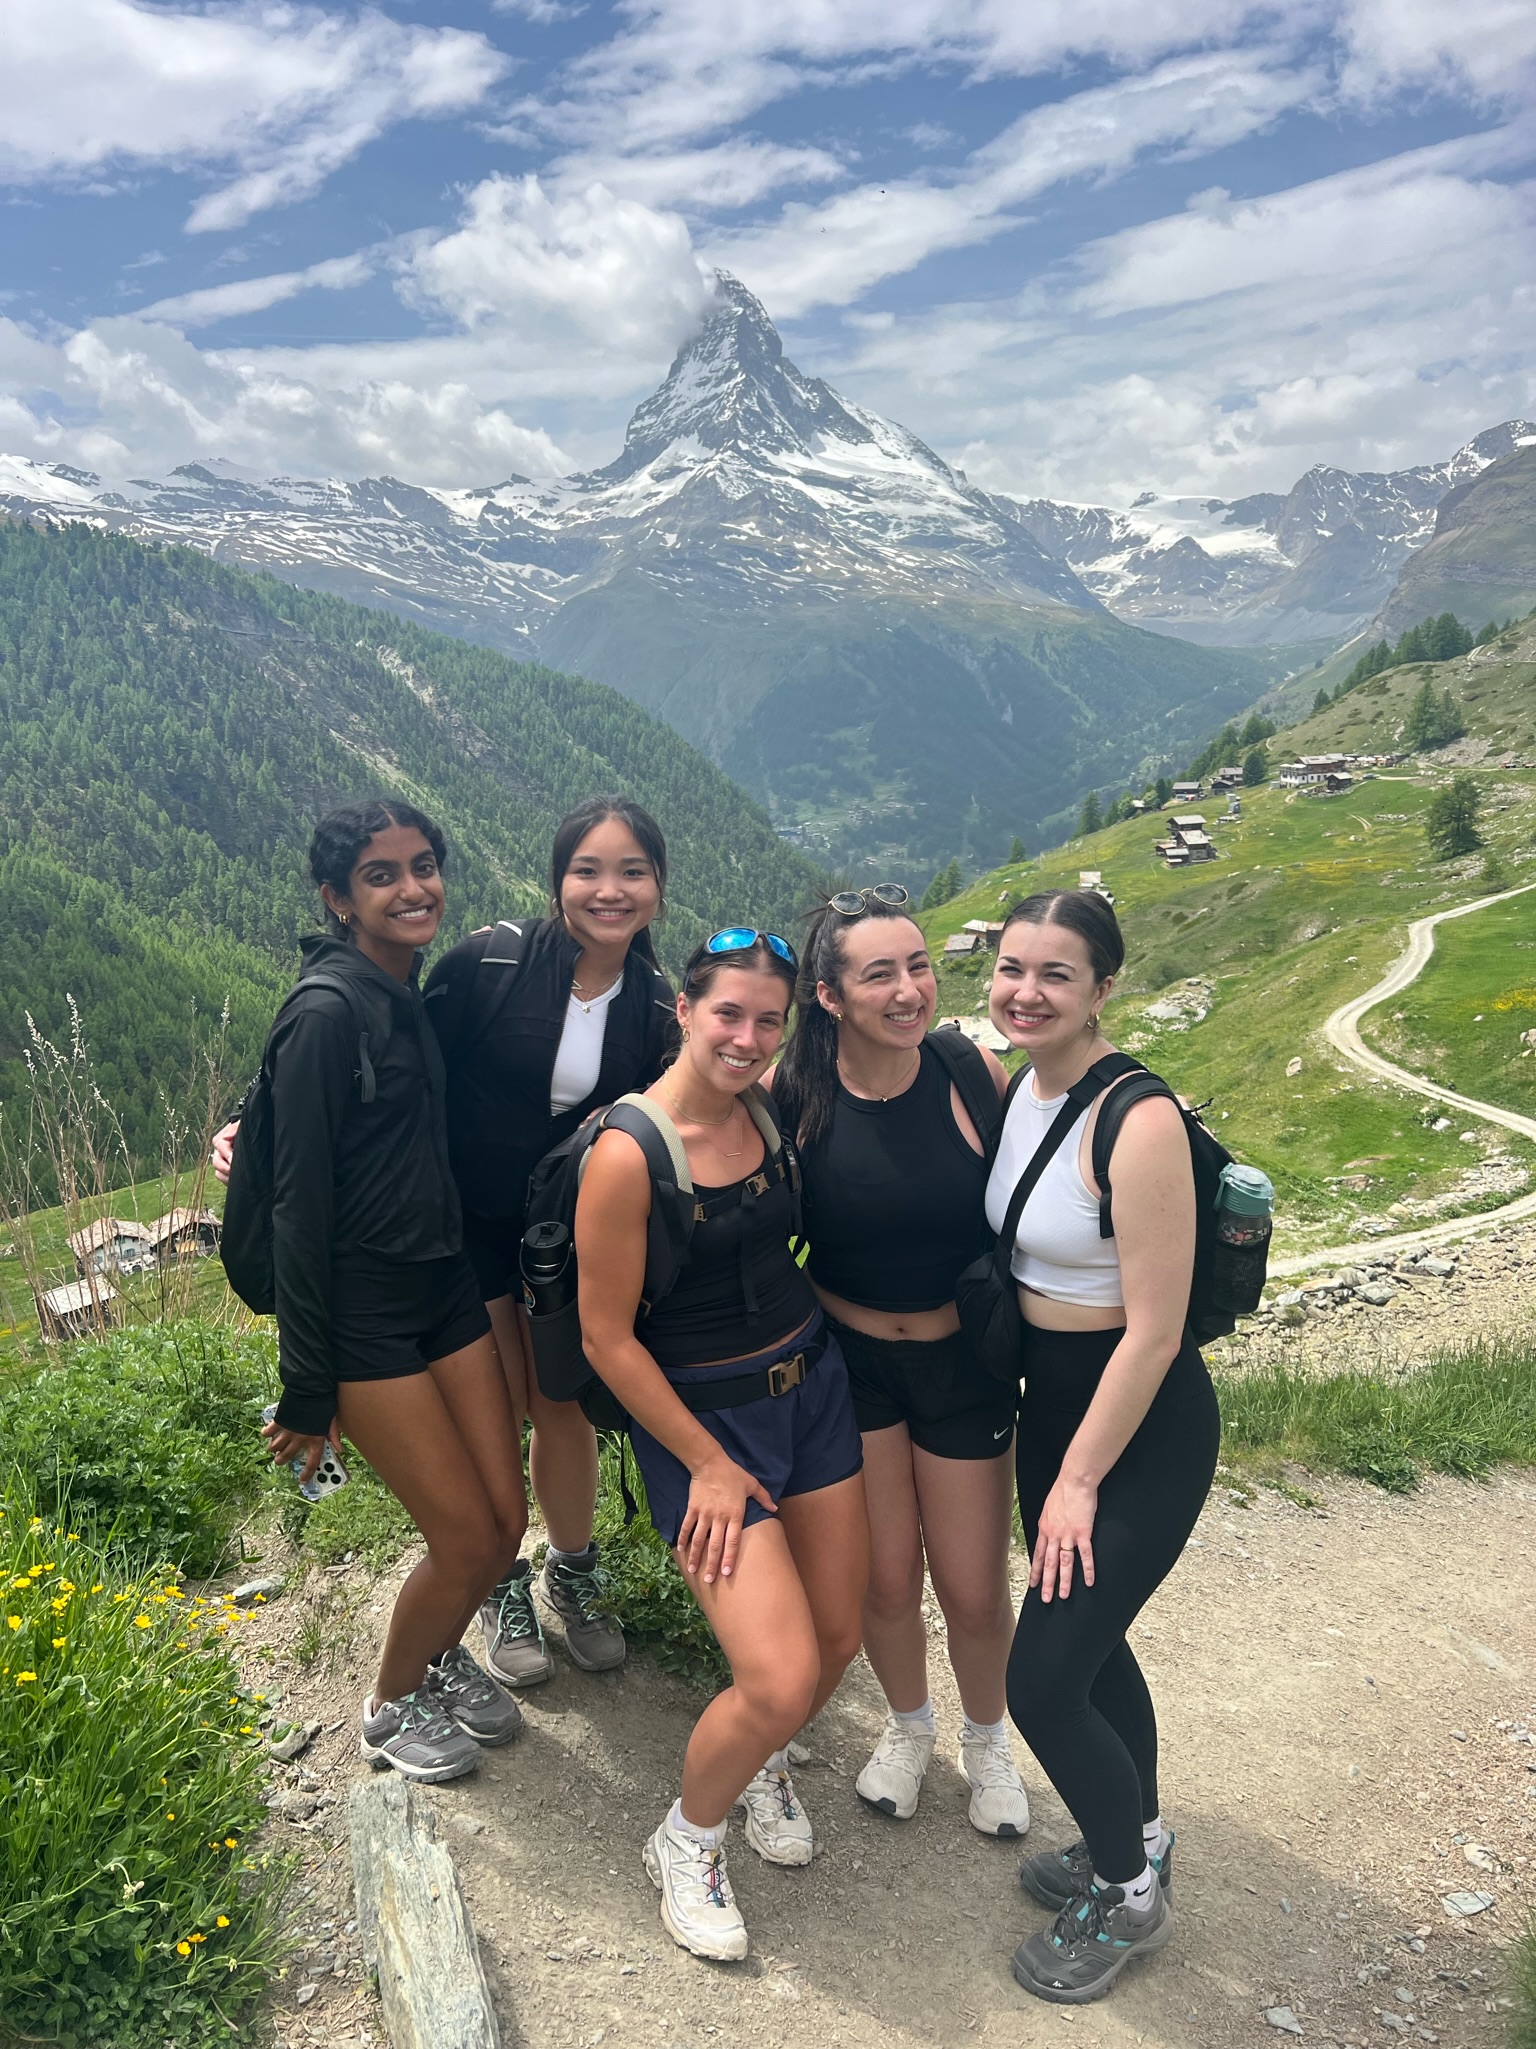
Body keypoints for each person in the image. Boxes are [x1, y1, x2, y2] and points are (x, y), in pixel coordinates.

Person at [575, 930, 869, 1963]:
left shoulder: (765, 1110)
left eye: (767, 1020)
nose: (747, 1038)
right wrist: (703, 1459)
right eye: (728, 1014)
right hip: (706, 1425)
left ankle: (761, 1766)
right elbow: (605, 1338)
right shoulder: (628, 1153)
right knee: (780, 1673)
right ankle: (684, 1839)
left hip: (813, 1390)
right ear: (684, 1012)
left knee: (839, 1636)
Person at [259, 800, 527, 1782]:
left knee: (502, 1523)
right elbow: (297, 1207)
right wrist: (307, 1390)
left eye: (423, 866)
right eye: (381, 875)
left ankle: (439, 1651)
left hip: (444, 1284)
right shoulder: (328, 1012)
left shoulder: (403, 989)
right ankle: (388, 1704)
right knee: (462, 1537)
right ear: (338, 898)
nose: (412, 888)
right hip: (363, 1310)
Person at [983, 889, 1219, 2004]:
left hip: (1141, 1421)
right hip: (1055, 1405)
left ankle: (1129, 1896)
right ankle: (1140, 1831)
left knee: (1040, 1678)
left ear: (1104, 988)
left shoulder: (1140, 1118)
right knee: (1095, 1639)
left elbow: (1159, 1327)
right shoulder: (1021, 1087)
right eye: (1011, 967)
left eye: (1057, 973)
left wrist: (1078, 1479)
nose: (1026, 990)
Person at [772, 886, 1031, 1837]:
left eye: (918, 964)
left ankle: (989, 1740)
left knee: (970, 1582)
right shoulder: (793, 1095)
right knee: (884, 1578)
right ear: (829, 995)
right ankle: (910, 1726)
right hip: (854, 1365)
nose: (909, 988)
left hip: (965, 1363)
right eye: (879, 972)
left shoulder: (969, 1072)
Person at [421, 796, 674, 1687]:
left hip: (568, 1235)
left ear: (658, 887)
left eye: (632, 871)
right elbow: (392, 1054)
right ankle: (500, 1577)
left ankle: (573, 1566)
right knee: (495, 1409)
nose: (611, 890)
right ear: (557, 879)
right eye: (589, 870)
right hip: (471, 1224)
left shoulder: (653, 1003)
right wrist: (253, 1118)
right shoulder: (487, 963)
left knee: (559, 1403)